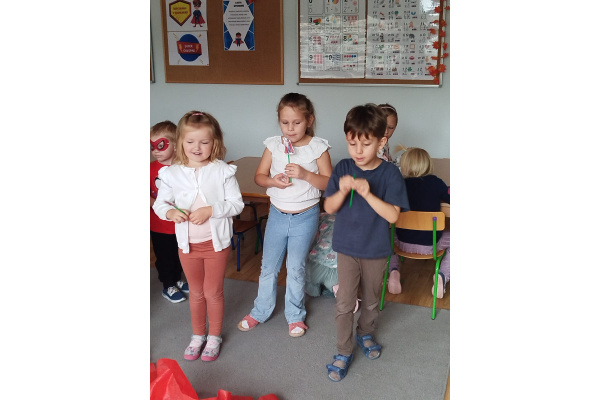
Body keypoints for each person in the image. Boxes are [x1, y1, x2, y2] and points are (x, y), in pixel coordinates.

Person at [323, 103, 409, 382]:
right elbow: (329, 207)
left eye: (366, 144)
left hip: (376, 250)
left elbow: (393, 216)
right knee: (344, 302)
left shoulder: (390, 174)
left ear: (381, 142)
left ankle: (365, 333)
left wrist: (368, 194)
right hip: (346, 248)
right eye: (352, 144)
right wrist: (343, 190)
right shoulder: (343, 167)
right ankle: (343, 350)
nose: (358, 151)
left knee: (371, 301)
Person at [237, 92, 333, 338]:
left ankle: (295, 315)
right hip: (278, 215)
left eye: (297, 122)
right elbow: (259, 177)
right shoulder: (274, 146)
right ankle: (260, 311)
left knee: (295, 267)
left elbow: (328, 183)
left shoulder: (318, 148)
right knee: (268, 267)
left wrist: (305, 175)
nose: (290, 128)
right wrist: (273, 181)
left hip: (305, 216)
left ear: (309, 120)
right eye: (285, 122)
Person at [153, 111, 244, 362]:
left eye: (204, 142)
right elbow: (160, 204)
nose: (197, 147)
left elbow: (237, 204)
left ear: (215, 142)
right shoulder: (171, 173)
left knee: (213, 292)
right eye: (190, 141)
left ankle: (214, 336)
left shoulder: (222, 171)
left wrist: (211, 210)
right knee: (196, 292)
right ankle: (198, 335)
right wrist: (170, 212)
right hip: (187, 245)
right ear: (180, 142)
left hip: (216, 244)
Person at [388, 147, 450, 298]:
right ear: (428, 164)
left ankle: (394, 271)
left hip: (401, 244)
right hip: (430, 246)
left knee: (386, 236)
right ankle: (442, 275)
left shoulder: (399, 185)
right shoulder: (436, 183)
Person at [150, 121, 189, 303]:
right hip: (159, 225)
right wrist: (160, 206)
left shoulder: (183, 168)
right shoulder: (149, 170)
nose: (155, 151)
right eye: (152, 146)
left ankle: (177, 279)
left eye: (160, 145)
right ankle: (168, 285)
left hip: (180, 223)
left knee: (179, 254)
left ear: (175, 144)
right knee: (164, 256)